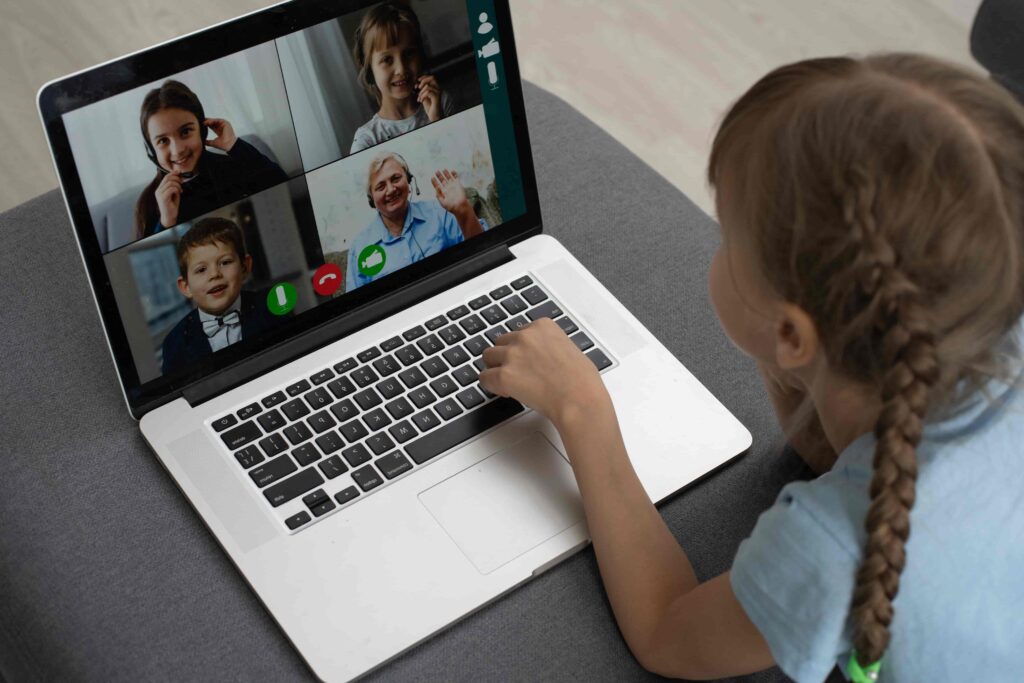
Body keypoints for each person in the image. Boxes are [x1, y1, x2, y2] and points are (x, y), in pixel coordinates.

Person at [478, 54, 1024, 682]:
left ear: (793, 332)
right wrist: (794, 367)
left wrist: (583, 411)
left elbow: (665, 631)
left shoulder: (833, 544)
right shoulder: (984, 322)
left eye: (729, 237)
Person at [133, 80, 287, 240]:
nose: (177, 150)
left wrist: (234, 145)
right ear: (151, 150)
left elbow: (283, 187)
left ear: (203, 130)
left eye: (185, 131)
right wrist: (166, 223)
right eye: (163, 141)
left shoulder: (235, 165)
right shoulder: (149, 203)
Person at [346, 152, 486, 292]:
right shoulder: (359, 248)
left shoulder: (440, 212)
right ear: (372, 199)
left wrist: (464, 210)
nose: (391, 190)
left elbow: (483, 252)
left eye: (395, 178)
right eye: (381, 187)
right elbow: (354, 306)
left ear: (408, 179)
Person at [161, 217, 284, 376]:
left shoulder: (273, 305)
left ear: (245, 267)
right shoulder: (174, 343)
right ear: (186, 287)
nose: (214, 274)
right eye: (201, 270)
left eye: (225, 262)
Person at [349, 2, 454, 154]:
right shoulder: (367, 140)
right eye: (387, 60)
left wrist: (438, 122)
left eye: (409, 54)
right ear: (370, 70)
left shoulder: (442, 104)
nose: (401, 69)